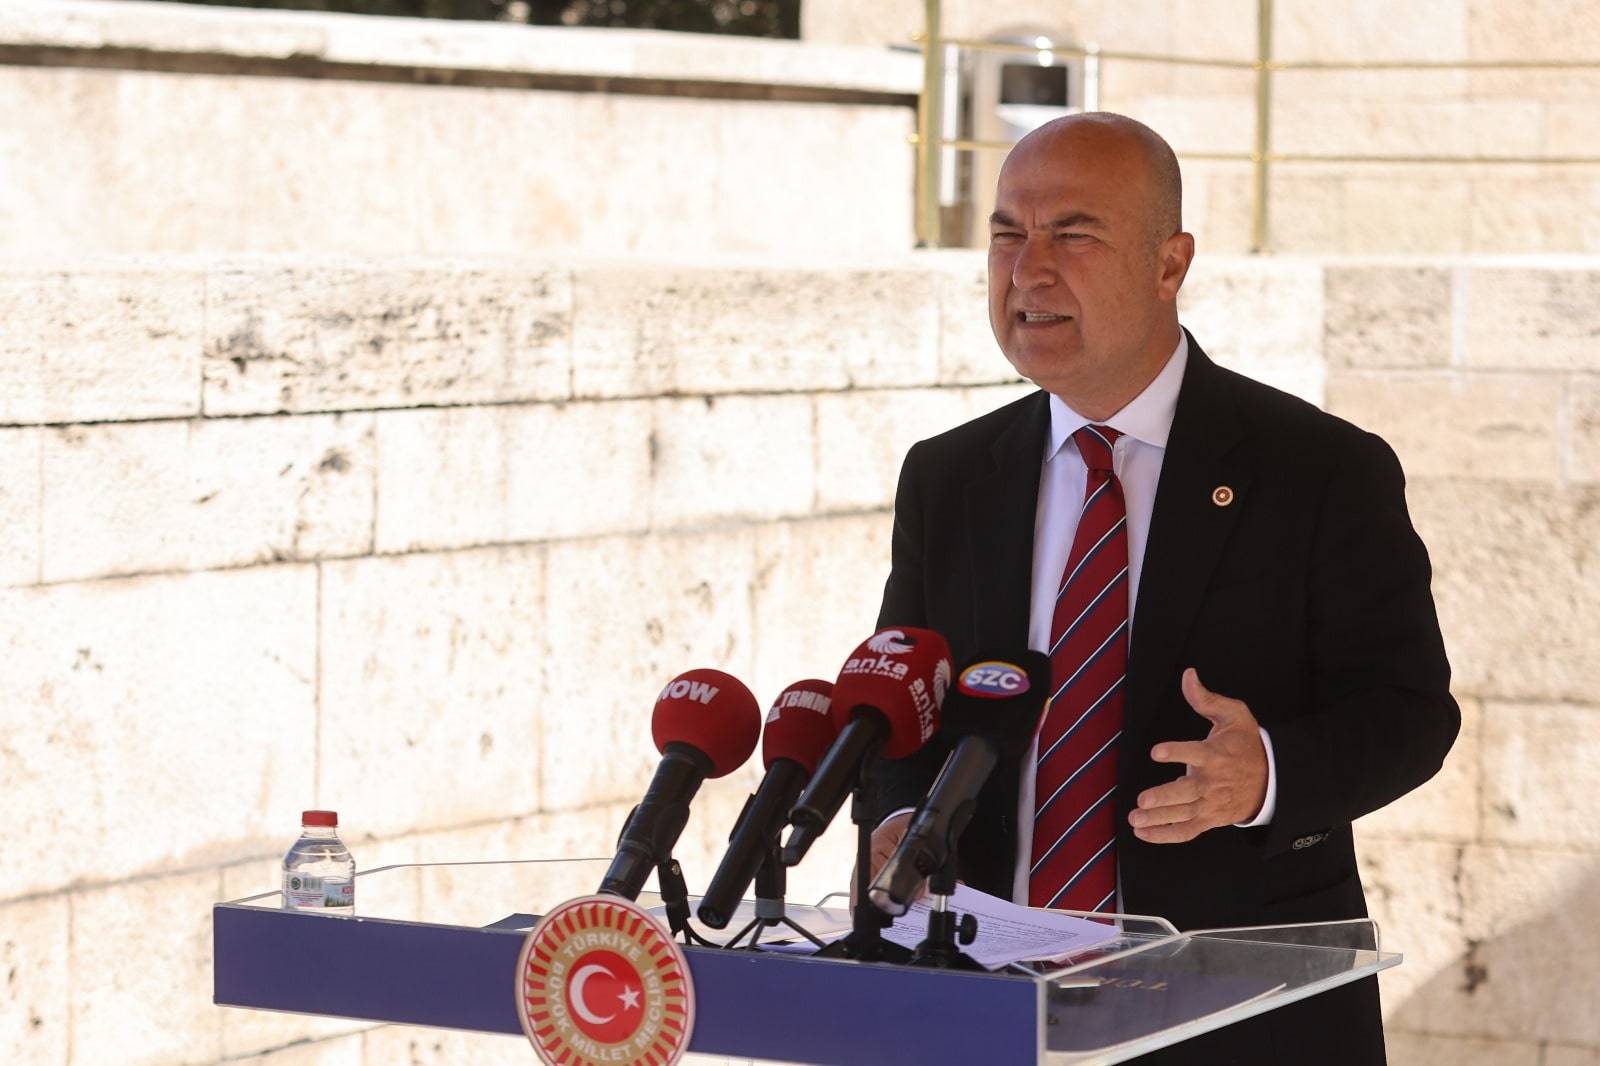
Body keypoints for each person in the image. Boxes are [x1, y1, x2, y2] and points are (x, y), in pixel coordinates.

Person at [868, 113, 1458, 1065]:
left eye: (1074, 234)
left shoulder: (1318, 470)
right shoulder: (951, 477)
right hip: (987, 1008)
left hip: (1242, 1017)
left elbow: (1411, 713)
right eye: (1008, 235)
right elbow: (899, 707)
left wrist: (1269, 773)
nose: (1029, 271)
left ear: (1169, 263)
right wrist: (900, 820)